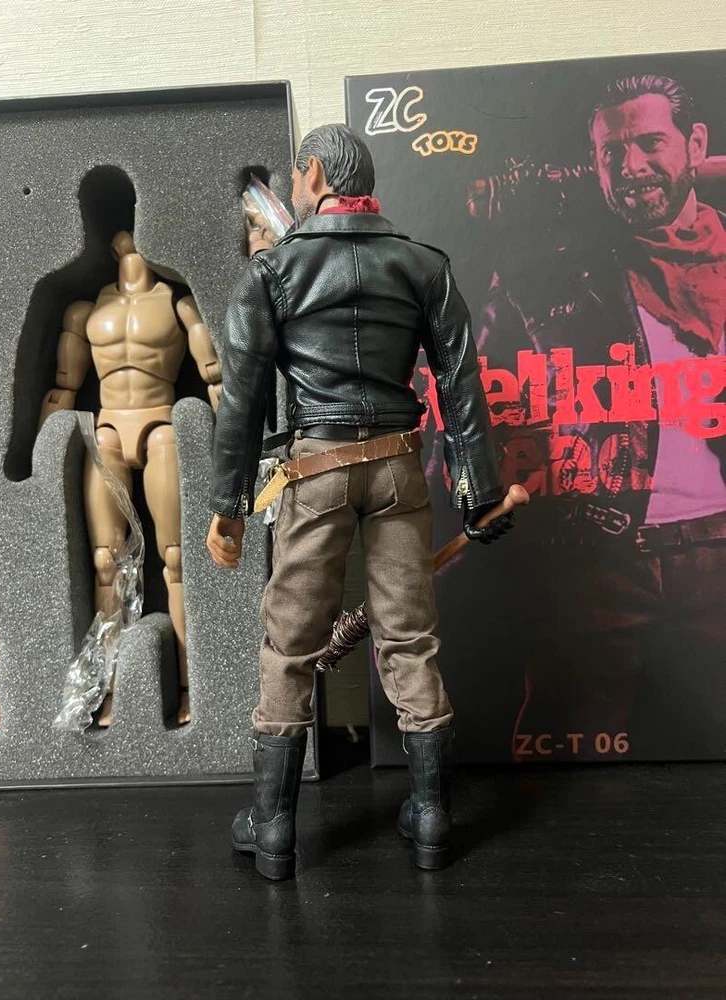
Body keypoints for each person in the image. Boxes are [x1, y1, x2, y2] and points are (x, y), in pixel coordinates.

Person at [207, 124, 516, 879]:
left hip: (315, 471)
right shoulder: (423, 265)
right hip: (398, 469)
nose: (293, 188)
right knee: (409, 636)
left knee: (290, 642)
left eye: (295, 176)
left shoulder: (274, 271)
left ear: (314, 174)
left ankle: (275, 830)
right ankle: (433, 816)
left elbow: (242, 397)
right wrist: (478, 495)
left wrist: (230, 504)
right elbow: (461, 387)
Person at [476, 74, 726, 759]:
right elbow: (482, 401)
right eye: (612, 152)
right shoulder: (547, 274)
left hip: (720, 555)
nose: (632, 166)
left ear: (695, 144)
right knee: (557, 764)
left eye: (650, 144)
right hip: (600, 563)